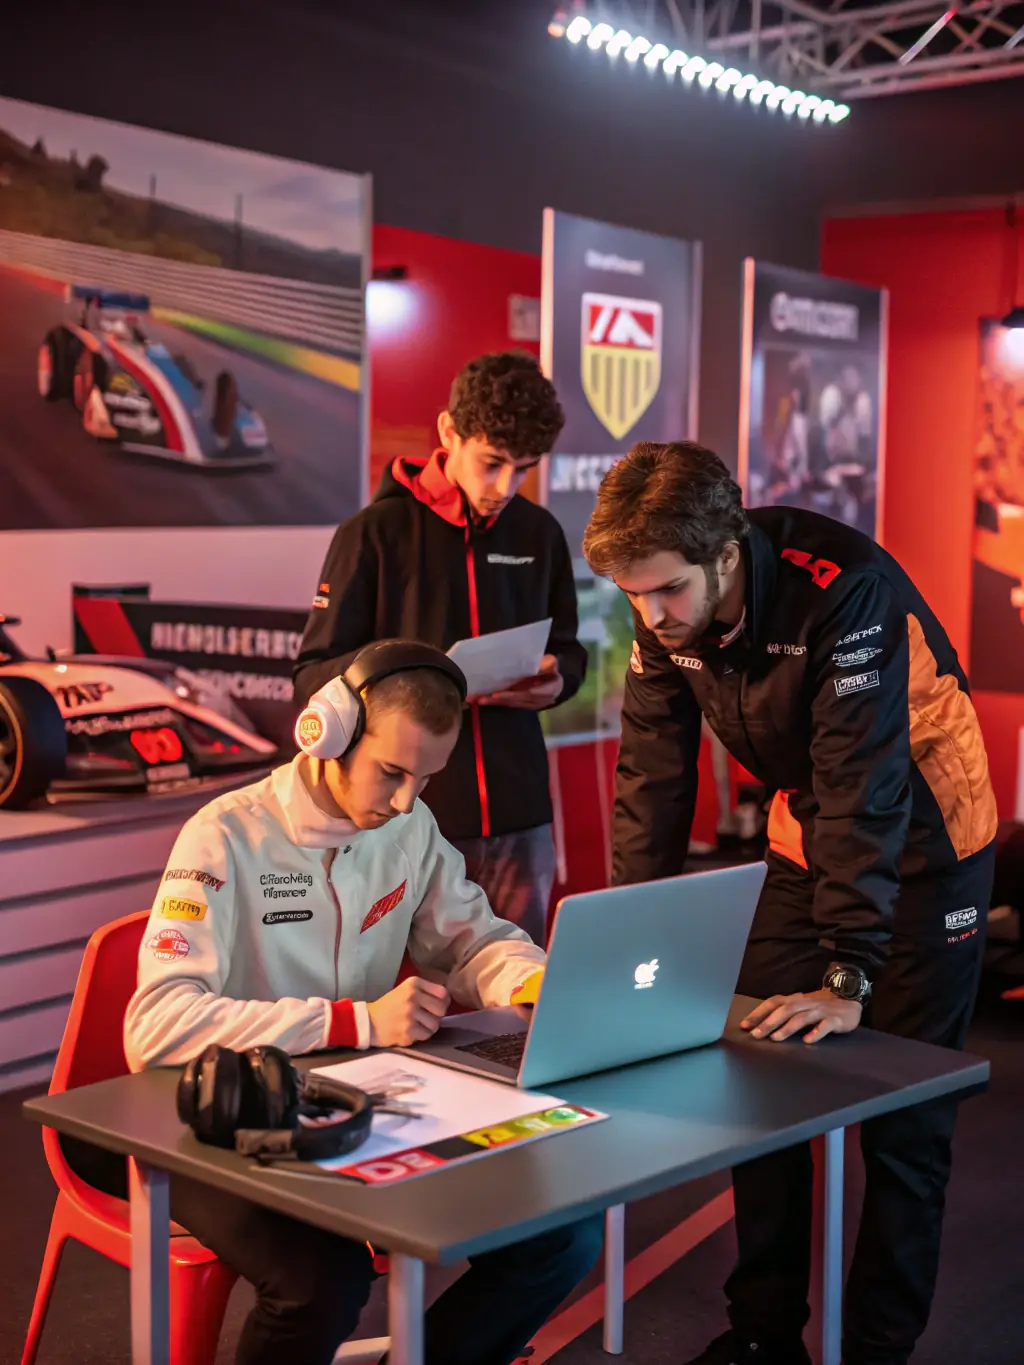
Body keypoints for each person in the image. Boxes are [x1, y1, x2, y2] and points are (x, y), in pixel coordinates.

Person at [582, 442, 998, 1365]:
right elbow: (652, 772)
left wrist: (850, 969)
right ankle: (765, 1334)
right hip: (808, 831)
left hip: (929, 835)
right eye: (634, 596)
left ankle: (882, 1346)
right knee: (751, 1084)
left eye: (666, 593)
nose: (651, 617)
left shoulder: (842, 588)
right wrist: (628, 936)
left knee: (904, 1122)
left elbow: (865, 781)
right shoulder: (666, 613)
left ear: (725, 555)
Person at [123, 641, 603, 1365]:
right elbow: (155, 1024)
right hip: (218, 1119)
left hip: (360, 1105)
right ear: (329, 735)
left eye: (426, 777)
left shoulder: (407, 828)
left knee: (564, 1237)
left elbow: (474, 941)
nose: (407, 800)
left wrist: (530, 980)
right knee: (323, 1282)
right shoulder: (224, 834)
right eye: (392, 772)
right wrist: (355, 1020)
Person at [294, 351, 587, 945]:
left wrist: (560, 680)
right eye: (492, 463)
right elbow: (310, 678)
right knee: (404, 1003)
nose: (505, 487)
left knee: (514, 1002)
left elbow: (569, 651)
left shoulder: (539, 533)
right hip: (407, 818)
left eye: (524, 469)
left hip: (520, 816)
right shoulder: (374, 534)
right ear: (448, 433)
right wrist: (402, 679)